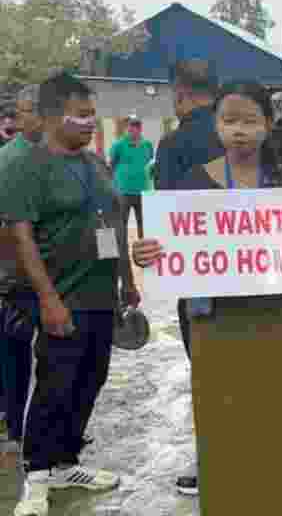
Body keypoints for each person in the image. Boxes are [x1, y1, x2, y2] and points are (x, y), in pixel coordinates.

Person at [131, 80, 282, 515]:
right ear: (216, 125)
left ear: (268, 125)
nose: (240, 130)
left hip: (273, 319)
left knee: (274, 421)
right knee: (222, 422)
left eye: (250, 120)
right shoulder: (192, 182)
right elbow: (168, 244)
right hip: (214, 323)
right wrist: (146, 252)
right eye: (230, 120)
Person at [1, 72, 140, 516]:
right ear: (51, 116)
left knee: (91, 378)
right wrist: (48, 300)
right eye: (81, 114)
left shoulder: (96, 164)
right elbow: (21, 236)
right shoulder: (26, 164)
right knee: (56, 381)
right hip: (62, 294)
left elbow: (114, 223)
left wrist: (127, 280)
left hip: (101, 293)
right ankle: (37, 476)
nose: (90, 122)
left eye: (92, 113)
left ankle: (66, 462)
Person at [153, 58, 221, 496]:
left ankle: (212, 461)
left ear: (179, 94)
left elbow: (166, 215)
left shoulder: (174, 143)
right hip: (256, 278)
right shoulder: (250, 135)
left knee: (207, 371)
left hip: (199, 278)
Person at [0, 84, 42, 449]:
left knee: (52, 358)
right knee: (15, 356)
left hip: (51, 275)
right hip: (13, 281)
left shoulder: (54, 157)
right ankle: (15, 428)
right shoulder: (9, 160)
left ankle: (41, 428)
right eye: (28, 111)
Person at [108, 114, 154, 239]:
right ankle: (122, 250)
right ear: (127, 127)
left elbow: (151, 165)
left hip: (143, 191)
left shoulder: (147, 145)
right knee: (121, 224)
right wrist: (112, 188)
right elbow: (111, 166)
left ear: (140, 128)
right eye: (131, 125)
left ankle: (144, 249)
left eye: (137, 125)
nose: (134, 128)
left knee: (144, 225)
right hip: (123, 192)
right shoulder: (118, 145)